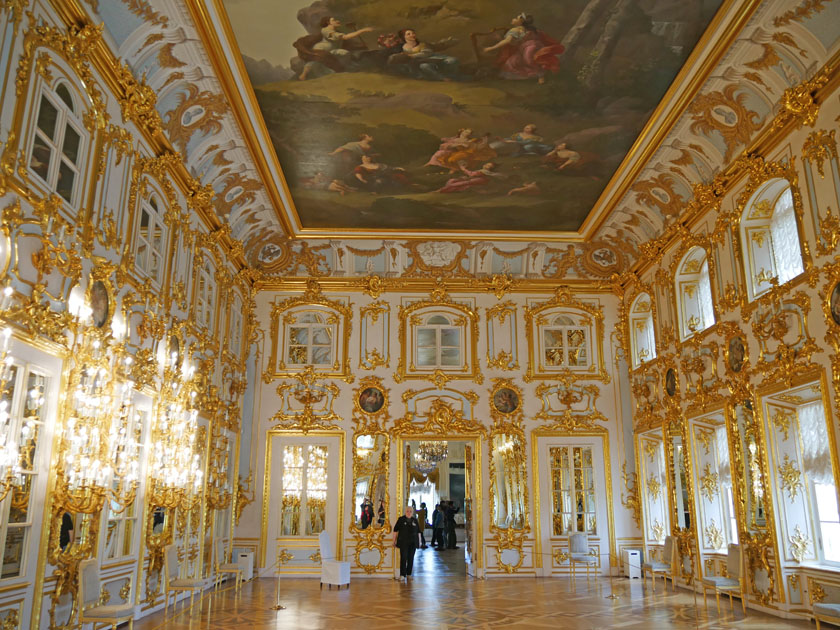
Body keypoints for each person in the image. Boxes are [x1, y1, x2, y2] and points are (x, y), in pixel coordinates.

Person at [483, 13, 565, 83]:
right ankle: (539, 74)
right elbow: (542, 38)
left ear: (521, 21)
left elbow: (507, 41)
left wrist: (491, 48)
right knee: (514, 61)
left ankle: (541, 76)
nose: (513, 19)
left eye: (516, 18)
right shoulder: (534, 30)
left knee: (527, 61)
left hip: (528, 49)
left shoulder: (516, 30)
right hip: (537, 46)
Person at [392, 506, 421, 581]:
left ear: (413, 512)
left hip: (413, 542)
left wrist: (419, 542)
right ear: (405, 512)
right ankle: (402, 575)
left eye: (410, 511)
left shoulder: (415, 520)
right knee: (403, 558)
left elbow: (418, 532)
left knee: (411, 558)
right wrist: (394, 541)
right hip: (403, 542)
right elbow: (395, 530)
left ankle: (409, 574)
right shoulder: (401, 519)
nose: (409, 513)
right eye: (407, 511)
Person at [437, 162, 504, 193]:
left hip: (477, 181)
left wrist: (463, 169)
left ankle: (441, 191)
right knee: (452, 180)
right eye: (486, 164)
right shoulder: (483, 171)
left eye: (488, 166)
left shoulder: (484, 172)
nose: (486, 165)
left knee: (455, 184)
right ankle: (443, 189)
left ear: (490, 168)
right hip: (473, 180)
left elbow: (472, 174)